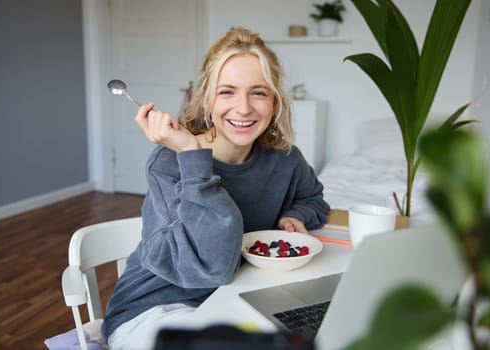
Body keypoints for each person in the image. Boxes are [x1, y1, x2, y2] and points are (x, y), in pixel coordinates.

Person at [101, 27, 330, 350]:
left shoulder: (285, 161)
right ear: (207, 99)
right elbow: (214, 267)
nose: (244, 108)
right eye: (227, 92)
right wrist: (193, 157)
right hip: (155, 309)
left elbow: (313, 198)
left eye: (258, 92)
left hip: (236, 299)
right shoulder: (170, 163)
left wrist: (293, 214)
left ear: (275, 102)